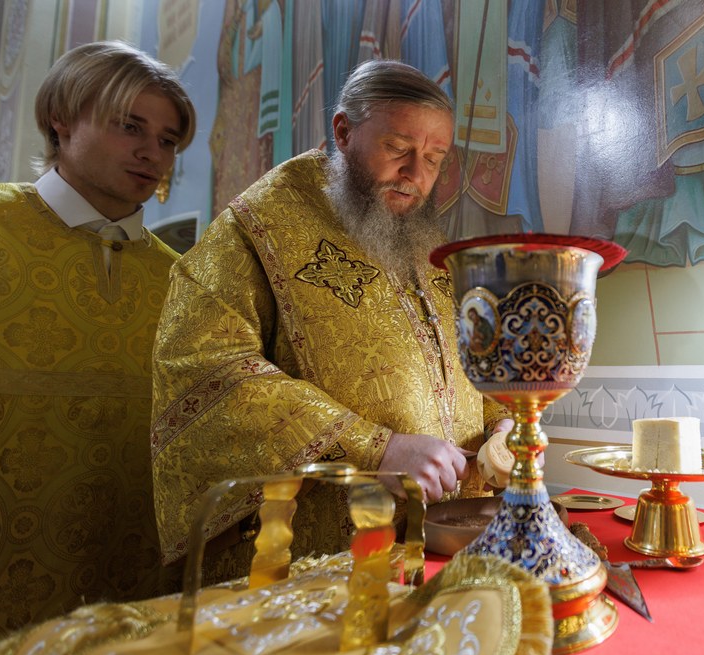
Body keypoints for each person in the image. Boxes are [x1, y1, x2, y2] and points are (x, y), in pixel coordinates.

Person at [151, 60, 510, 580]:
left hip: (446, 540)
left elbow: (465, 358)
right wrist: (376, 448)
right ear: (343, 132)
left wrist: (506, 426)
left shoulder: (422, 240)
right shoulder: (261, 225)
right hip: (317, 553)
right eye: (398, 148)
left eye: (434, 159)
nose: (416, 174)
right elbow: (207, 367)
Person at [0, 41, 196, 655]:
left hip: (124, 590)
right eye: (129, 127)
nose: (152, 152)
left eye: (168, 140)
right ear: (61, 119)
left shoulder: (187, 282)